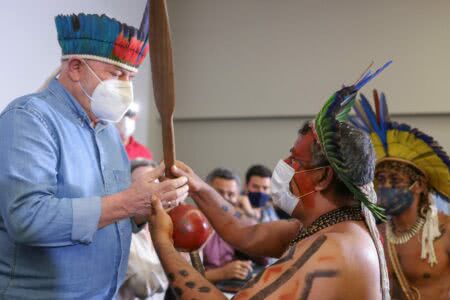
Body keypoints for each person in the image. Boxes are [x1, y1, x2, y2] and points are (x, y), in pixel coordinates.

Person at [148, 63, 392, 299]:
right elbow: (246, 234)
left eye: (295, 160)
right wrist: (197, 186)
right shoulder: (325, 227)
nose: (284, 164)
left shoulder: (333, 248)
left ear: (322, 177)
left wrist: (163, 243)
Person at [0, 5, 189, 299]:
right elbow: (27, 219)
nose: (126, 88)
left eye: (131, 78)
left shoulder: (107, 132)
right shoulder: (30, 118)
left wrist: (149, 204)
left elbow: (114, 215)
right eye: (117, 74)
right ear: (76, 68)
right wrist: (128, 202)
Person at [351, 90, 449, 300]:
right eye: (380, 180)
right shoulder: (375, 235)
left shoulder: (446, 231)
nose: (385, 188)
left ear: (419, 186)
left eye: (394, 181)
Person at [119, 160, 169, 300]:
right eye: (141, 186)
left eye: (155, 185)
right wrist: (179, 258)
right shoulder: (121, 232)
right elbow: (143, 286)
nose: (151, 193)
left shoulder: (167, 228)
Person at [202, 168, 255, 284]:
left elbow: (264, 257)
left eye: (231, 194)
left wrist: (249, 215)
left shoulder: (237, 221)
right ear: (206, 193)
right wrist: (223, 273)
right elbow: (181, 276)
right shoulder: (194, 223)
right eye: (219, 193)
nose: (225, 198)